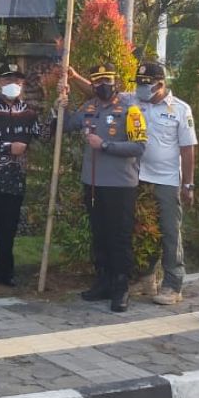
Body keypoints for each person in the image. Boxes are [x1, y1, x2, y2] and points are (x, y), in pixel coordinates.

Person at [61, 63, 147, 312]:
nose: (102, 86)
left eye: (106, 80)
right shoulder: (89, 107)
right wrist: (62, 103)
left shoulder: (130, 109)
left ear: (116, 82)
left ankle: (121, 288)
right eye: (97, 81)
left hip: (120, 184)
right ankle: (103, 282)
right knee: (99, 235)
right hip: (93, 183)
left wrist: (106, 145)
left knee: (118, 238)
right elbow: (66, 126)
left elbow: (139, 147)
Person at [0, 62, 57, 294]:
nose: (13, 85)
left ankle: (3, 271)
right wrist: (8, 147)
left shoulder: (28, 112)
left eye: (17, 81)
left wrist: (56, 111)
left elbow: (44, 135)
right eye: (8, 81)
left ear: (23, 85)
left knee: (8, 231)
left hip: (14, 180)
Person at [132, 62, 197, 304]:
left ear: (161, 84)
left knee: (170, 232)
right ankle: (146, 279)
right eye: (138, 83)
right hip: (138, 178)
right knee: (142, 231)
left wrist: (188, 184)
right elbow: (101, 92)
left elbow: (188, 149)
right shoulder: (135, 101)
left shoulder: (180, 109)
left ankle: (173, 284)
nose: (141, 88)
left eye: (145, 84)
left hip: (167, 181)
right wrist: (73, 78)